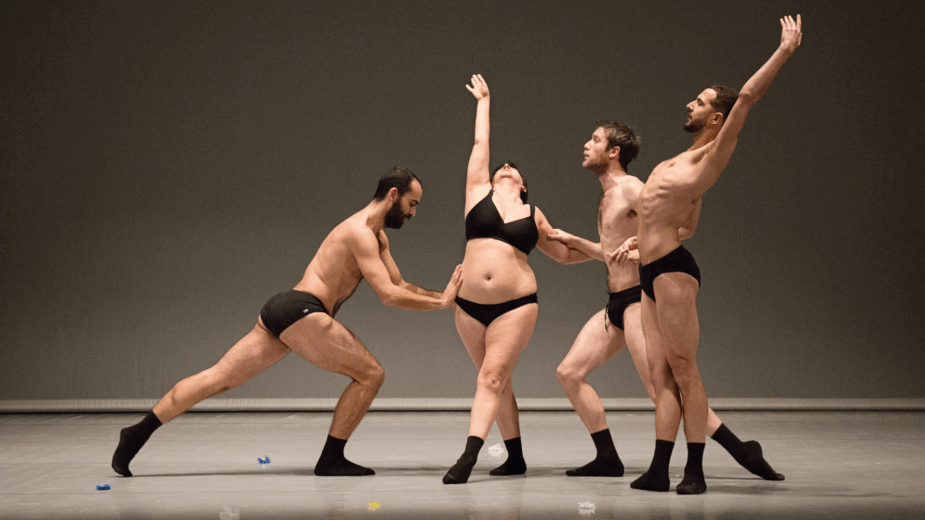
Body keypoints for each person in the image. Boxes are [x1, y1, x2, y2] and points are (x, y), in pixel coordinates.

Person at [111, 167, 463, 478]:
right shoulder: (359, 232)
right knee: (371, 375)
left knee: (219, 378)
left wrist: (446, 296)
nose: (413, 212)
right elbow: (388, 295)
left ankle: (136, 433)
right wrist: (441, 303)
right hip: (303, 310)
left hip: (285, 309)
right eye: (412, 203)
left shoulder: (377, 236)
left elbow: (400, 285)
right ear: (393, 195)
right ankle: (331, 459)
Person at [615, 15, 802, 494]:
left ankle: (694, 470)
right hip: (649, 269)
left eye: (699, 102)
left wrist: (784, 50)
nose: (690, 104)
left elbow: (748, 97)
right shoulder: (676, 161)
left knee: (684, 370)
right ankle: (659, 469)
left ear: (716, 118)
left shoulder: (710, 155)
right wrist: (640, 240)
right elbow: (686, 224)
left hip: (673, 271)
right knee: (660, 376)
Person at [550, 122, 784, 483]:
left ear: (613, 152)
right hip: (615, 303)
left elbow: (679, 227)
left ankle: (740, 450)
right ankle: (607, 457)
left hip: (637, 301)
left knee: (662, 389)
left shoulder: (632, 189)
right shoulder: (607, 196)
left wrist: (643, 250)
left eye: (594, 140)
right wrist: (574, 241)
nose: (586, 144)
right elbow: (612, 253)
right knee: (569, 373)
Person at [442, 75, 593, 484]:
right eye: (500, 168)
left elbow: (563, 254)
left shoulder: (533, 214)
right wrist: (484, 101)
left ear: (523, 185)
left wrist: (603, 252)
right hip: (468, 307)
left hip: (515, 306)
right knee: (497, 381)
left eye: (512, 168)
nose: (504, 166)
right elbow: (481, 143)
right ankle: (515, 458)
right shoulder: (477, 193)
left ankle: (468, 456)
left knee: (490, 378)